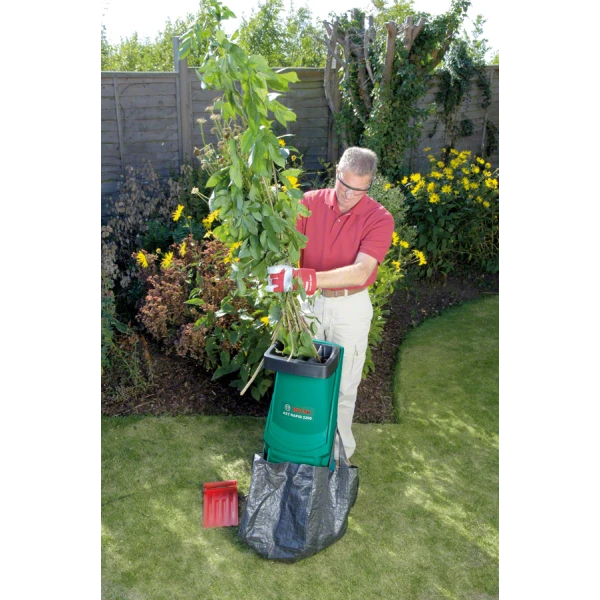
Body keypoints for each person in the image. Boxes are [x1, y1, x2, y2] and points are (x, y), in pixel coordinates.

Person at [266, 146, 395, 461]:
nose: (349, 195)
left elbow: (362, 271)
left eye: (359, 190)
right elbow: (286, 247)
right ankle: (299, 446)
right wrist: (280, 271)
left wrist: (309, 278)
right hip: (308, 303)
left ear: (370, 184)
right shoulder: (309, 203)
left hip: (349, 307)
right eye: (344, 185)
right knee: (301, 375)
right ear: (337, 172)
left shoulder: (379, 218)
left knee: (344, 382)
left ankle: (337, 455)